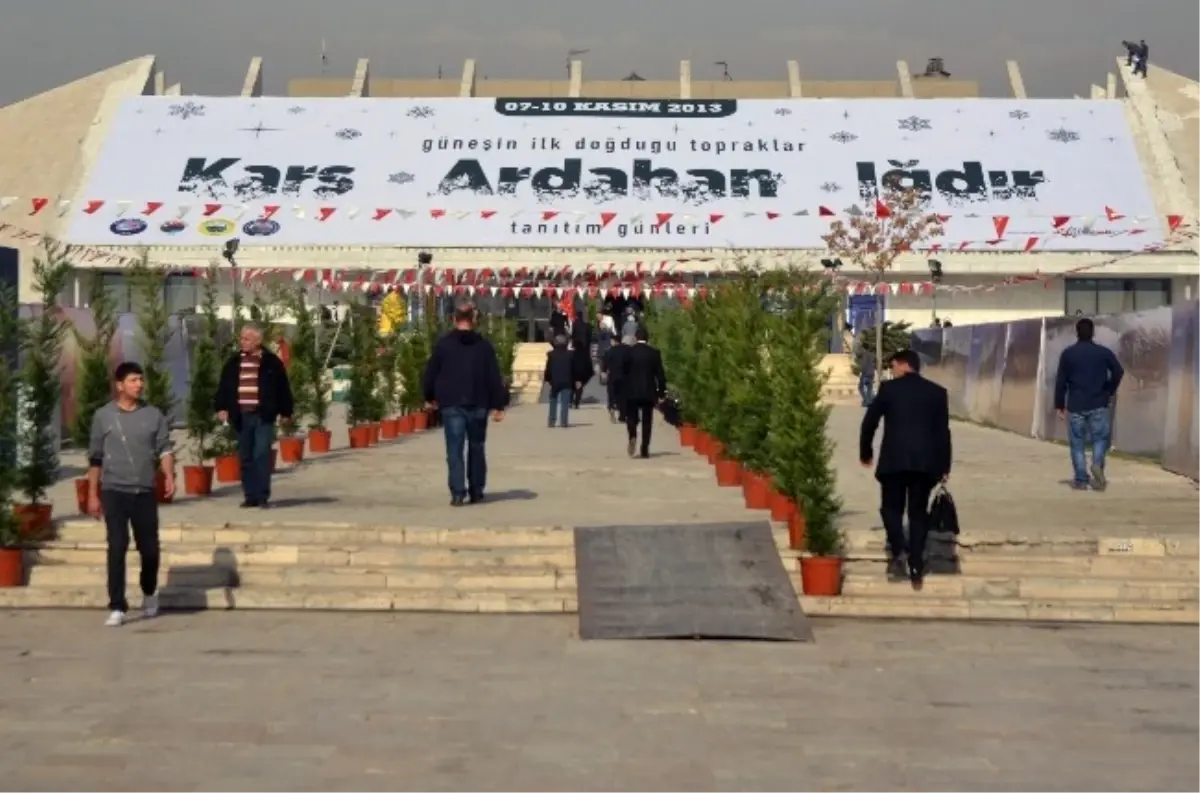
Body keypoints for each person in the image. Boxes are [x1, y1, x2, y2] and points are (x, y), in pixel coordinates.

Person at [87, 362, 175, 627]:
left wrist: (169, 475)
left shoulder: (153, 415)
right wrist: (92, 494)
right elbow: (95, 458)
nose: (139, 385)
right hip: (114, 490)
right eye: (133, 380)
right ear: (120, 385)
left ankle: (149, 591)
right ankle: (117, 605)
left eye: (140, 380)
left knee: (149, 549)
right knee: (117, 545)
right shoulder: (103, 416)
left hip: (144, 491)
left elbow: (165, 449)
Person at [859, 349, 952, 587]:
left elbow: (870, 422)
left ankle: (899, 549)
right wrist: (944, 464)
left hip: (894, 461)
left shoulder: (889, 390)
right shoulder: (937, 393)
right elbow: (943, 432)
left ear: (903, 365)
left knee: (891, 508)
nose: (892, 371)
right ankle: (916, 563)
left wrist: (866, 452)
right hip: (925, 463)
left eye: (893, 366)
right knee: (918, 513)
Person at [422, 300, 509, 506]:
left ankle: (458, 493)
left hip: (452, 403)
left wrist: (429, 396)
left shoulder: (444, 345)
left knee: (454, 449)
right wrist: (498, 404)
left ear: (454, 319)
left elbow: (431, 373)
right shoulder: (484, 346)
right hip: (478, 403)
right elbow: (493, 377)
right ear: (475, 319)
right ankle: (477, 490)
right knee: (477, 447)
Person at [215, 324, 294, 509]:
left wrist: (286, 412)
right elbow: (224, 387)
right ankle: (250, 495)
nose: (242, 342)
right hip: (241, 415)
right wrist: (221, 407)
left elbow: (283, 388)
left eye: (247, 339)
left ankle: (262, 495)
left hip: (263, 415)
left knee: (261, 453)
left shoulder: (271, 362)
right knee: (246, 456)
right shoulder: (234, 362)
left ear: (258, 341)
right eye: (241, 338)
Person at [1054, 317, 1124, 491]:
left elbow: (1061, 381)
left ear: (1077, 333)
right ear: (1092, 332)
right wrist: (1109, 388)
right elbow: (1118, 371)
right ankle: (1097, 465)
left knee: (1077, 443)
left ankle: (1081, 479)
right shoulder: (1103, 352)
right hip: (1099, 402)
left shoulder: (1068, 354)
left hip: (1076, 404)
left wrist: (1059, 404)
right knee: (1100, 439)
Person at [621, 327, 667, 458]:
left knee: (631, 418)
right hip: (648, 391)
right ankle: (645, 449)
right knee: (647, 420)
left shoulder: (629, 353)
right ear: (648, 338)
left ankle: (632, 435)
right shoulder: (654, 353)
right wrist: (661, 393)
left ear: (635, 338)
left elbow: (623, 372)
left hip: (631, 391)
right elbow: (660, 375)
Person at [544, 335, 577, 428]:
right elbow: (573, 369)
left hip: (554, 381)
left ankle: (551, 421)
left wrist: (547, 379)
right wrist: (575, 380)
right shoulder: (570, 354)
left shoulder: (551, 354)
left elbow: (548, 368)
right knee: (565, 402)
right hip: (567, 381)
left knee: (553, 401)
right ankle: (564, 422)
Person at [602, 334, 633, 423]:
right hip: (624, 376)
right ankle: (622, 416)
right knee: (623, 397)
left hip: (612, 376)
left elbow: (605, 365)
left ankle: (611, 406)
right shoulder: (627, 350)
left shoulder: (609, 351)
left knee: (612, 394)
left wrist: (604, 372)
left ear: (615, 341)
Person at [570, 316, 594, 408]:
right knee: (579, 387)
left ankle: (571, 401)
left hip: (574, 373)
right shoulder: (584, 354)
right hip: (582, 373)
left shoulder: (572, 354)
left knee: (572, 387)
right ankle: (576, 402)